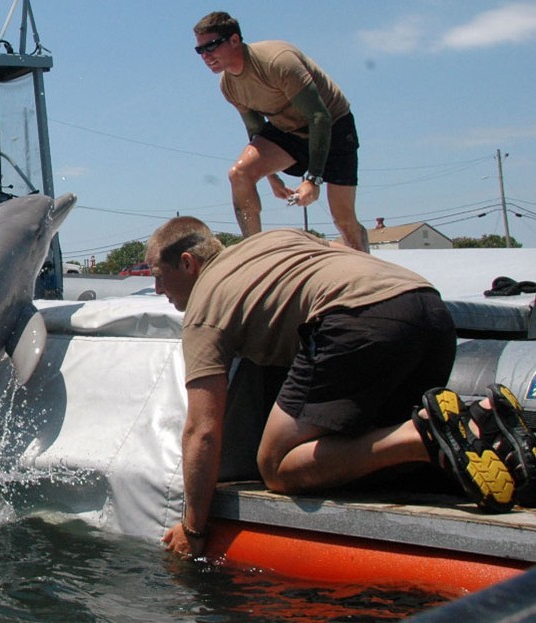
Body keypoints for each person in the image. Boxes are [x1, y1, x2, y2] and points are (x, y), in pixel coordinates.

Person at [146, 217, 534, 558]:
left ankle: (423, 436)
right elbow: (339, 252)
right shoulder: (273, 240)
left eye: (158, 275)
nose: (158, 288)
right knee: (363, 445)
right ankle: (485, 424)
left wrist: (194, 530)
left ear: (187, 262)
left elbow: (203, 430)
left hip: (356, 320)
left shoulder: (204, 310)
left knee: (277, 466)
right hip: (429, 309)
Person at [193, 12, 369, 252]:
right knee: (239, 174)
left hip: (332, 126)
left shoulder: (278, 62)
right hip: (287, 130)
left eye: (211, 46)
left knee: (343, 220)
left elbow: (319, 117)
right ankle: (255, 253)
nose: (206, 56)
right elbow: (256, 129)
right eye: (200, 50)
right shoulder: (229, 85)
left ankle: (363, 259)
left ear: (234, 40)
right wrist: (271, 177)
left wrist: (313, 179)